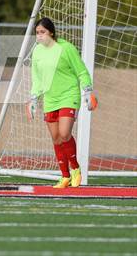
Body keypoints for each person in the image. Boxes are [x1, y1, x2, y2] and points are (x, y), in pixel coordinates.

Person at [26, 17, 98, 188]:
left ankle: (75, 169)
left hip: (68, 95)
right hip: (50, 98)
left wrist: (87, 91)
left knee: (65, 133)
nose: (39, 36)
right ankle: (65, 176)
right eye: (37, 33)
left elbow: (81, 71)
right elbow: (36, 78)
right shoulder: (37, 52)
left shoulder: (66, 48)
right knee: (56, 138)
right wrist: (33, 98)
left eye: (42, 32)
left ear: (51, 32)